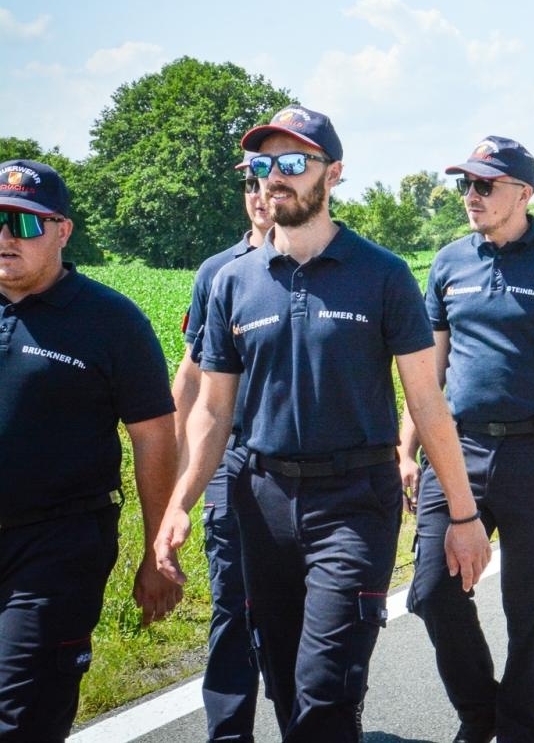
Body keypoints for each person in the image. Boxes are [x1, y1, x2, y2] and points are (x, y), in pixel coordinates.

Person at [155, 106, 491, 743]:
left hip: (354, 503)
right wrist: (180, 501)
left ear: (333, 174)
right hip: (262, 503)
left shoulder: (383, 275)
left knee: (325, 686)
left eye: (291, 163)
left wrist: (465, 517)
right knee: (284, 683)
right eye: (262, 165)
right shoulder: (232, 283)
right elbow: (213, 409)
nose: (273, 178)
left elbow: (427, 402)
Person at [401, 136, 534, 743]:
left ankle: (520, 732)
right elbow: (426, 374)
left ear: (523, 193)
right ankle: (481, 712)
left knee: (531, 610)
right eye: (467, 185)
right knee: (432, 591)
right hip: (457, 451)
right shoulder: (448, 265)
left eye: (484, 185)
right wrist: (404, 447)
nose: (471, 196)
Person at [0, 159, 182, 740]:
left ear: (62, 230)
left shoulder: (110, 321)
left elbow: (154, 434)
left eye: (23, 224)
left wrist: (157, 550)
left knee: (22, 717)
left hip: (56, 548)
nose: (5, 238)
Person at [170, 156, 272, 742]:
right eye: (250, 186)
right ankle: (229, 734)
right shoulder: (217, 273)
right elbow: (192, 377)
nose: (259, 196)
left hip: (300, 468)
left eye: (268, 184)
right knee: (232, 608)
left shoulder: (320, 262)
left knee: (304, 616)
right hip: (229, 464)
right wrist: (180, 477)